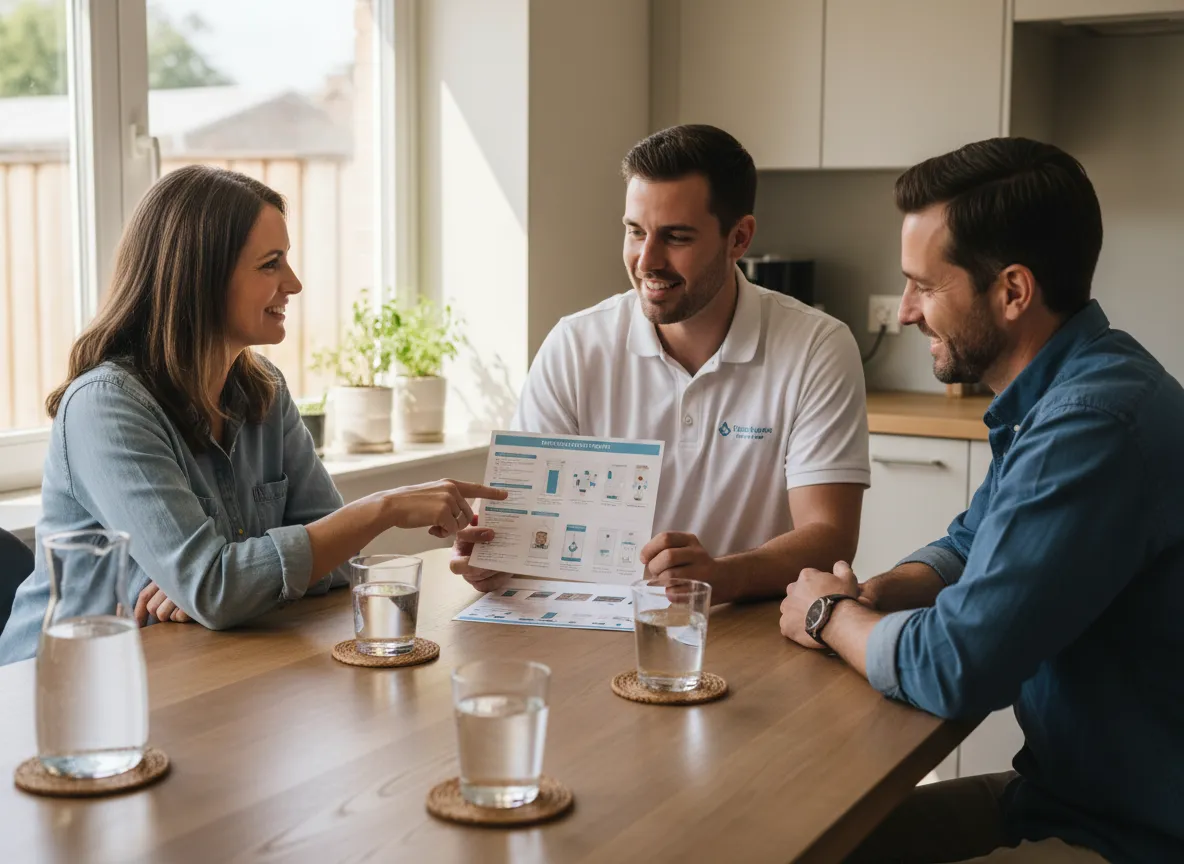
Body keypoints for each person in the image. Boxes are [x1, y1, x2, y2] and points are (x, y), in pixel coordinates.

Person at [780, 138, 1184, 863]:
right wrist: (874, 594)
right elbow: (970, 542)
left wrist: (827, 615)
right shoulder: (1069, 390)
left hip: (1126, 834)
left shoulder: (1092, 425)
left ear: (1013, 292)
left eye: (924, 286)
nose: (905, 311)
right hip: (1065, 795)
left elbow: (955, 667)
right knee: (801, 838)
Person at [0, 166, 504, 664]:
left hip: (185, 672)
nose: (295, 283)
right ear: (201, 277)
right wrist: (382, 509)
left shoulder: (263, 388)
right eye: (271, 264)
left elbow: (338, 564)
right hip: (56, 692)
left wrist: (230, 583)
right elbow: (222, 587)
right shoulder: (106, 406)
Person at [453, 125, 870, 599]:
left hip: (749, 625)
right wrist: (494, 557)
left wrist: (722, 576)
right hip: (593, 625)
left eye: (675, 237)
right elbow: (523, 527)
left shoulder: (818, 346)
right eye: (635, 232)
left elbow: (829, 536)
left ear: (739, 238)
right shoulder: (574, 344)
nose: (646, 260)